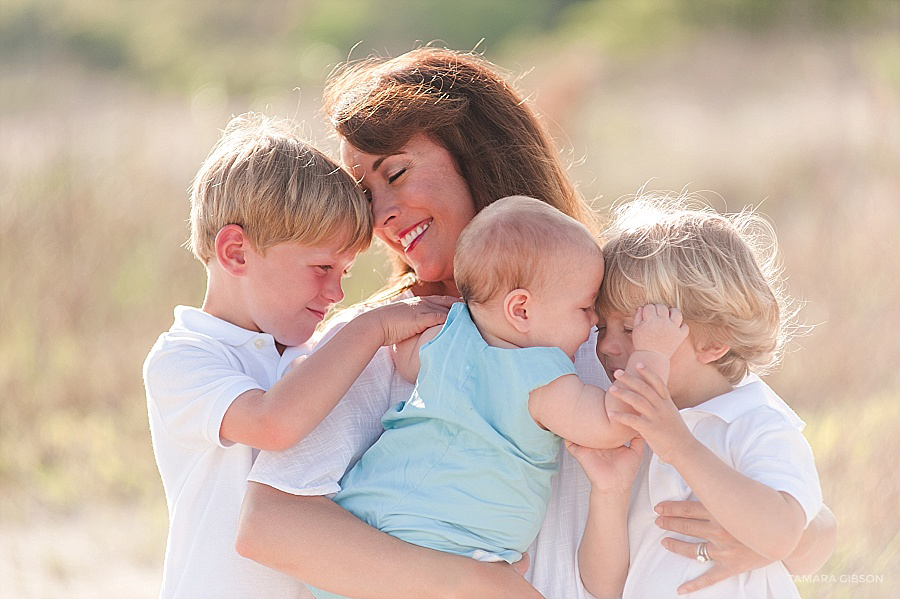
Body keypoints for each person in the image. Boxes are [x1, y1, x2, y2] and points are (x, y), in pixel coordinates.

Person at [236, 48, 836, 598]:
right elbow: (270, 526)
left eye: (394, 174)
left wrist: (770, 538)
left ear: (477, 154)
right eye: (365, 195)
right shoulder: (392, 335)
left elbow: (766, 456)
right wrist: (482, 584)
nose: (383, 216)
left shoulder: (608, 305)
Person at [304, 195, 686, 599]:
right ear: (520, 310)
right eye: (586, 308)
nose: (594, 323)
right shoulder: (543, 380)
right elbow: (615, 423)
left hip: (368, 520)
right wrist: (652, 352)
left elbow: (406, 360)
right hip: (438, 540)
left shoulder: (446, 335)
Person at [143, 113, 453, 598]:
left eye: (345, 273)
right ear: (236, 253)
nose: (336, 293)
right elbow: (273, 424)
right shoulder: (184, 359)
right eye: (322, 268)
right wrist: (376, 324)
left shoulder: (314, 354)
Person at [575, 195, 822, 598]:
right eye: (603, 328)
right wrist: (609, 492)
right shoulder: (627, 431)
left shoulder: (755, 421)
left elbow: (782, 535)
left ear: (715, 341)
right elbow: (603, 587)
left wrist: (680, 446)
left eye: (635, 328)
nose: (605, 347)